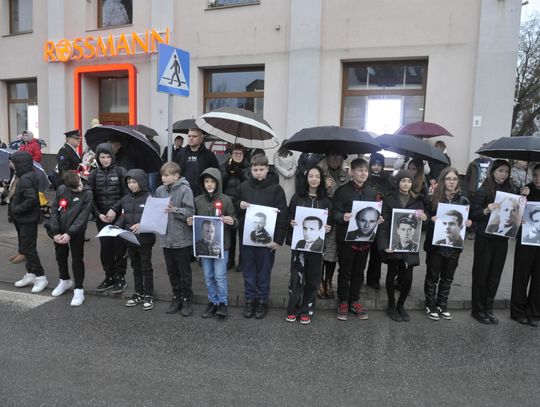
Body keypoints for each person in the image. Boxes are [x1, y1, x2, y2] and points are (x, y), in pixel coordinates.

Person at [469, 159, 520, 324]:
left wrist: (523, 201)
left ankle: (488, 308)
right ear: (493, 172)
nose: (504, 174)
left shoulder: (511, 190)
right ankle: (477, 310)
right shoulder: (484, 190)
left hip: (501, 239)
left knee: (495, 275)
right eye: (500, 171)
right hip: (485, 238)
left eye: (506, 171)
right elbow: (473, 214)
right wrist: (486, 210)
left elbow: (515, 212)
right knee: (481, 274)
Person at [238, 154, 287, 319]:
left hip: (267, 241)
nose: (258, 172)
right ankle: (249, 300)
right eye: (255, 169)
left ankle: (262, 301)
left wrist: (278, 240)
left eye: (261, 169)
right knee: (248, 272)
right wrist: (239, 205)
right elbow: (234, 208)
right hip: (247, 239)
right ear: (251, 170)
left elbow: (282, 216)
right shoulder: (243, 187)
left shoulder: (276, 190)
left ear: (267, 169)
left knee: (263, 272)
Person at [333, 158, 380, 321]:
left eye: (366, 170)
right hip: (346, 239)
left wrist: (378, 218)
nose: (363, 173)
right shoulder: (342, 191)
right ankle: (343, 301)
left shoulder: (372, 192)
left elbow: (375, 212)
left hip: (365, 240)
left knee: (359, 272)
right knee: (345, 271)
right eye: (359, 170)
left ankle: (354, 300)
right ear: (351, 172)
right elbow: (334, 212)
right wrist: (342, 216)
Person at [377, 169, 427, 322]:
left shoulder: (417, 201)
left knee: (408, 278)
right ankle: (391, 305)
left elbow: (422, 226)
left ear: (412, 183)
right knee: (391, 274)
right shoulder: (389, 199)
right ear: (398, 182)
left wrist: (424, 218)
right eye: (403, 180)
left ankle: (401, 305)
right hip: (393, 243)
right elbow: (384, 224)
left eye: (409, 181)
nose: (406, 184)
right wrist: (384, 245)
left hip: (409, 246)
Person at [423, 167, 471, 321]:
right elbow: (424, 220)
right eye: (448, 179)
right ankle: (430, 305)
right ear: (443, 180)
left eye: (454, 179)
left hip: (454, 246)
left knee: (448, 277)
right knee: (432, 276)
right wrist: (430, 220)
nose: (451, 182)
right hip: (435, 246)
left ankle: (442, 304)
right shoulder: (433, 199)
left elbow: (469, 224)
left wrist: (469, 224)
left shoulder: (464, 201)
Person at [188, 167, 237, 318]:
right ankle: (212, 302)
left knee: (220, 276)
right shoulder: (198, 200)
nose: (209, 184)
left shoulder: (226, 200)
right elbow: (196, 221)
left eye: (212, 181)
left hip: (222, 246)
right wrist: (190, 222)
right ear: (203, 183)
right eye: (206, 181)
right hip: (204, 248)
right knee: (208, 276)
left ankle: (222, 303)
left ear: (218, 183)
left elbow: (235, 219)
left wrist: (232, 221)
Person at [286, 166, 332, 324]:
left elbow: (330, 222)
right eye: (311, 176)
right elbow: (289, 216)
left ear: (321, 180)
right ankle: (293, 308)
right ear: (306, 179)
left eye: (317, 176)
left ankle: (306, 309)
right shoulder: (297, 197)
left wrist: (328, 227)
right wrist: (291, 222)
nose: (314, 179)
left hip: (317, 249)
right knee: (296, 278)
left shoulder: (326, 201)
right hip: (299, 246)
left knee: (313, 279)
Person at [87, 143, 128, 293]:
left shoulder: (121, 171)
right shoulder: (93, 174)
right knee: (106, 248)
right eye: (102, 157)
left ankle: (120, 277)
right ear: (97, 158)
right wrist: (98, 214)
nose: (105, 160)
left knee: (119, 248)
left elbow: (126, 195)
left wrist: (113, 209)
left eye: (108, 157)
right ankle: (109, 276)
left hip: (118, 217)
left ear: (113, 157)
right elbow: (89, 198)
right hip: (101, 218)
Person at [155, 162, 195, 316]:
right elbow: (157, 210)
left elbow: (190, 212)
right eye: (162, 175)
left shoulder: (185, 190)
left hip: (181, 239)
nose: (163, 178)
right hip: (166, 238)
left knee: (184, 271)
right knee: (171, 271)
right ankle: (176, 297)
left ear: (176, 176)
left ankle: (186, 299)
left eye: (166, 175)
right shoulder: (160, 190)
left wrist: (174, 209)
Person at [49, 171, 93, 306]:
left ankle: (79, 289)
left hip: (77, 232)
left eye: (79, 184)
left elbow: (83, 216)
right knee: (60, 256)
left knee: (77, 258)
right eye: (75, 188)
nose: (79, 188)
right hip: (60, 231)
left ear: (79, 177)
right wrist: (56, 231)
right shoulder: (61, 190)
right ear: (67, 187)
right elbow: (54, 210)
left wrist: (69, 233)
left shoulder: (88, 192)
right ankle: (64, 280)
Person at [116, 169, 156, 311]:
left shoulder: (150, 198)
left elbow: (155, 218)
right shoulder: (125, 199)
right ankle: (138, 293)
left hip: (145, 239)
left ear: (142, 182)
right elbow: (123, 216)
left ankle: (148, 294)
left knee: (146, 267)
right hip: (130, 239)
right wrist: (116, 226)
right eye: (129, 182)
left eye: (134, 182)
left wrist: (143, 225)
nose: (131, 185)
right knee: (135, 267)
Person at [10, 151, 47, 293]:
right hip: (25, 218)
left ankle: (41, 277)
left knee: (29, 249)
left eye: (13, 162)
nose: (11, 164)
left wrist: (16, 209)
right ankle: (30, 274)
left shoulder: (25, 179)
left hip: (27, 218)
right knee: (26, 248)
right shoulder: (27, 175)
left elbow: (31, 199)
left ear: (20, 164)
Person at [511, 164, 540, 327]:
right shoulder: (525, 190)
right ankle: (518, 311)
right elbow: (514, 213)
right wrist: (522, 198)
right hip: (525, 240)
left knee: (538, 278)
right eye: (535, 175)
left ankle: (534, 312)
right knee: (521, 277)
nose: (538, 179)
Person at [318, 152, 350, 299]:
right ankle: (319, 280)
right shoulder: (319, 173)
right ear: (327, 158)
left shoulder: (346, 175)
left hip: (337, 219)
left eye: (338, 157)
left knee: (332, 253)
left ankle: (329, 281)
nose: (335, 159)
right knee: (319, 249)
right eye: (332, 156)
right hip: (321, 216)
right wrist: (323, 187)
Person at [365, 152, 393, 289]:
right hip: (366, 218)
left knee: (376, 252)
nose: (376, 167)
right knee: (362, 251)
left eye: (379, 164)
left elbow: (390, 198)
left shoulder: (388, 180)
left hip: (381, 219)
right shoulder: (366, 178)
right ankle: (357, 277)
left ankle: (373, 279)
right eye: (374, 164)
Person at [221, 143, 249, 270]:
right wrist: (227, 172)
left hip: (242, 204)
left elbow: (250, 184)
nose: (237, 155)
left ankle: (242, 261)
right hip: (228, 204)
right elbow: (219, 184)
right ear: (231, 154)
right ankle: (230, 260)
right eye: (235, 153)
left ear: (243, 154)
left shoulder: (248, 167)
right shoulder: (225, 166)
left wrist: (241, 173)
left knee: (243, 234)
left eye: (240, 153)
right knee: (230, 234)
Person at [174, 127, 219, 196]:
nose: (191, 138)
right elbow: (176, 172)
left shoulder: (209, 155)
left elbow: (215, 174)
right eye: (189, 136)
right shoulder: (181, 153)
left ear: (201, 138)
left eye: (194, 136)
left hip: (203, 193)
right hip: (184, 192)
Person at [273, 139, 297, 204]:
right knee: (282, 193)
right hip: (282, 176)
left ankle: (290, 206)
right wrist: (286, 173)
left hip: (291, 177)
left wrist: (291, 173)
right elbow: (276, 165)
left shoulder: (292, 154)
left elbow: (295, 165)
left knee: (290, 194)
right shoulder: (277, 154)